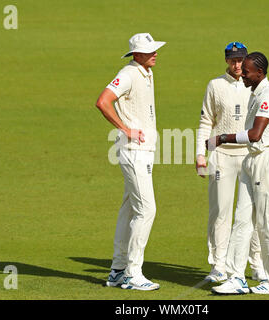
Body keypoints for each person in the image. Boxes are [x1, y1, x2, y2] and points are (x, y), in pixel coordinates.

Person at [208, 52, 269, 294]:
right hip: (252, 160)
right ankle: (236, 277)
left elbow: (256, 134)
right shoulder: (255, 93)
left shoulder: (268, 95)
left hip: (266, 160)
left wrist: (223, 138)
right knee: (242, 221)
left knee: (267, 223)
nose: (241, 74)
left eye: (246, 71)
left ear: (260, 73)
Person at [95, 33, 166, 291]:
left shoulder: (146, 72)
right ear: (136, 54)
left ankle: (117, 269)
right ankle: (132, 273)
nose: (156, 53)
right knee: (146, 210)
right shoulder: (128, 73)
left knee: (129, 208)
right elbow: (102, 101)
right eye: (150, 51)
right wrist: (125, 129)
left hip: (143, 151)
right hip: (134, 151)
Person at [196, 42, 266, 283]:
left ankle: (256, 262)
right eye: (233, 60)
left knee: (252, 212)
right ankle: (219, 264)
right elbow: (207, 120)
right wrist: (200, 154)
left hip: (249, 155)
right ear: (227, 60)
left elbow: (266, 124)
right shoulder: (215, 85)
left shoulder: (255, 86)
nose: (237, 65)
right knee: (220, 212)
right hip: (222, 155)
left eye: (241, 60)